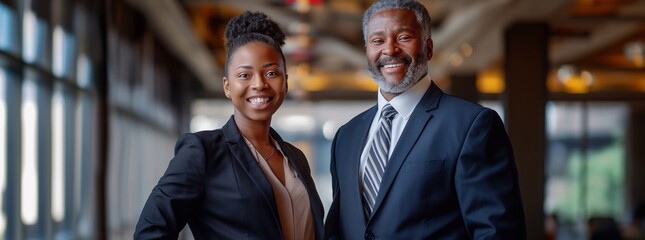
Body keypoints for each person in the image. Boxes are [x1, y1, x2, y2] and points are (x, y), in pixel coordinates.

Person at [324, 0, 526, 239]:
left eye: (403, 37)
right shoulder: (346, 136)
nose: (390, 50)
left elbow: (497, 233)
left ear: (428, 48)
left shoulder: (472, 125)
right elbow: (338, 229)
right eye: (377, 41)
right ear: (367, 50)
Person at [134, 11, 324, 239]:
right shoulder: (203, 152)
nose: (259, 84)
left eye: (271, 73)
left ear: (285, 82)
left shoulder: (296, 158)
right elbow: (151, 233)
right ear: (227, 86)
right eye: (245, 75)